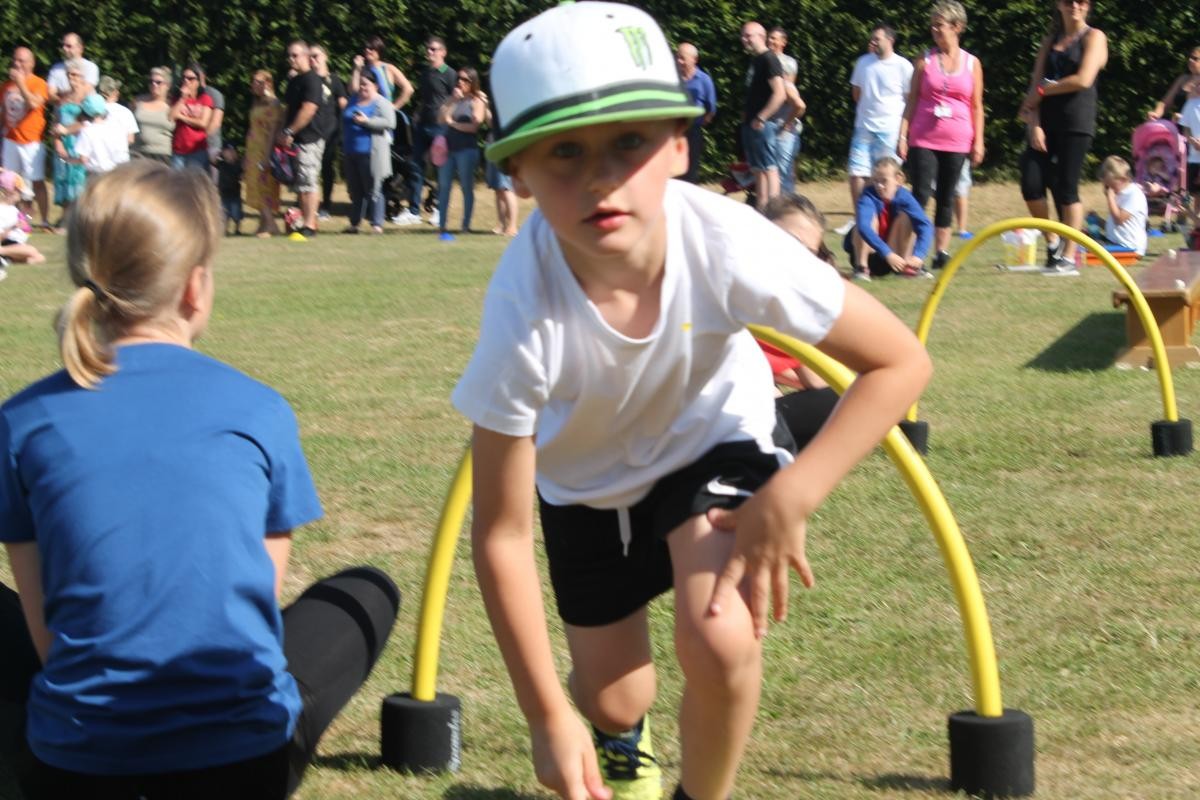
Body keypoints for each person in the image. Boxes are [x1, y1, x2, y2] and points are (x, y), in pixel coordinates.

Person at [457, 5, 933, 800]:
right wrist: (546, 715)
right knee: (613, 698)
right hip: (586, 486)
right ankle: (623, 733)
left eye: (629, 143)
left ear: (680, 145)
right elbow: (500, 534)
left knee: (720, 636)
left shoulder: (728, 239)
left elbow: (899, 362)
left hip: (714, 440)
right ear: (519, 174)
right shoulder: (522, 311)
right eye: (565, 153)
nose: (602, 178)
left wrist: (796, 491)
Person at [0, 161, 400, 799]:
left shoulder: (22, 420)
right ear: (194, 287)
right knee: (369, 590)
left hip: (75, 766)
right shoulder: (259, 409)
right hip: (242, 764)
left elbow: (46, 627)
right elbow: (253, 608)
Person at [1017, 0, 1108, 275]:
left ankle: (1069, 256)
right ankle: (1053, 241)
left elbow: (1083, 79)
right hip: (1045, 123)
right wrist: (1034, 124)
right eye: (1068, 1)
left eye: (1081, 1)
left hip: (1076, 121)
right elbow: (1035, 84)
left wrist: (1044, 91)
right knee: (1030, 182)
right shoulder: (1050, 40)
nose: (1075, 6)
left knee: (1066, 188)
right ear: (1058, 4)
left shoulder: (1095, 36)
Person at [898, 0, 985, 272]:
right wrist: (902, 135)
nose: (934, 29)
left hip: (958, 139)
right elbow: (911, 100)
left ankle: (942, 252)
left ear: (957, 27)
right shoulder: (924, 61)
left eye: (940, 25)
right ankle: (915, 253)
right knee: (921, 193)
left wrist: (979, 141)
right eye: (932, 24)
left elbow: (976, 106)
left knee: (947, 196)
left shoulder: (972, 64)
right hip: (923, 137)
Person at [761, 193, 843, 452]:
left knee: (848, 398)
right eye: (788, 241)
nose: (793, 255)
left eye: (806, 253)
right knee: (846, 400)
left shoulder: (789, 299)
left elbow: (814, 377)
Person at [846, 25, 913, 215]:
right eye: (872, 38)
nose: (873, 42)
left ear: (890, 40)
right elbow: (856, 94)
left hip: (890, 129)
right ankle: (861, 217)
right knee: (857, 173)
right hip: (863, 127)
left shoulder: (903, 66)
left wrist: (903, 136)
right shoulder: (863, 63)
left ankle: (889, 216)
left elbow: (910, 101)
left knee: (888, 176)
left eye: (877, 38)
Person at [845, 157, 934, 280]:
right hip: (873, 254)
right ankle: (861, 268)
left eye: (884, 181)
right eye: (876, 181)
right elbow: (864, 227)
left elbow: (925, 225)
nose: (879, 186)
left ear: (899, 179)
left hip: (895, 259)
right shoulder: (868, 196)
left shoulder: (905, 197)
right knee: (867, 221)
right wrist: (887, 253)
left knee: (907, 217)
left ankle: (908, 268)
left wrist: (919, 255)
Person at [403, 36, 456, 227]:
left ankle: (439, 211)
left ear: (443, 52)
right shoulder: (425, 74)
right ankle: (413, 211)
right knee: (416, 167)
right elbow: (425, 99)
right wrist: (417, 113)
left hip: (440, 128)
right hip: (422, 126)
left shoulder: (449, 73)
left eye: (434, 49)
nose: (430, 53)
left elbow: (456, 99)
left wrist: (449, 121)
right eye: (428, 49)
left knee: (441, 170)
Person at [279, 41, 327, 238]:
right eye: (289, 55)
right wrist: (283, 132)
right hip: (295, 140)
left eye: (295, 55)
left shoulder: (312, 80)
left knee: (309, 181)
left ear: (306, 57)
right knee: (300, 185)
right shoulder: (294, 81)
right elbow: (288, 110)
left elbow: (309, 109)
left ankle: (310, 224)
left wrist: (289, 131)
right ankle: (303, 222)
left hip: (310, 138)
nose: (291, 59)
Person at [2, 47, 52, 229]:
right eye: (15, 60)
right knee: (10, 183)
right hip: (10, 139)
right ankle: (17, 219)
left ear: (31, 63)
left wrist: (21, 83)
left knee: (37, 181)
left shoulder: (39, 83)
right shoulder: (6, 85)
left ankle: (45, 220)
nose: (17, 63)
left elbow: (33, 103)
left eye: (22, 60)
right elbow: (3, 112)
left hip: (32, 141)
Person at [341, 70, 395, 234]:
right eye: (361, 84)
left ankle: (377, 224)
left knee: (374, 189)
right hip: (351, 152)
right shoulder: (353, 100)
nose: (363, 87)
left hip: (372, 152)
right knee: (355, 190)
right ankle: (355, 224)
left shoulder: (381, 103)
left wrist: (367, 121)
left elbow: (390, 123)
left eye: (366, 84)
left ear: (376, 86)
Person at [435, 66, 486, 240]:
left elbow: (474, 126)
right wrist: (451, 102)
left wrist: (453, 124)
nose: (460, 82)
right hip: (448, 150)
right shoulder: (453, 99)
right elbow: (440, 119)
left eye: (465, 80)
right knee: (444, 187)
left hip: (466, 149)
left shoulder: (477, 101)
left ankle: (465, 225)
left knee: (466, 187)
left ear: (472, 82)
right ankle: (442, 226)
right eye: (459, 79)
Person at [740, 21, 786, 210]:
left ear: (760, 36)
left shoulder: (770, 59)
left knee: (769, 167)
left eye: (748, 36)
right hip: (751, 124)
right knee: (758, 169)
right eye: (743, 36)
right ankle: (762, 209)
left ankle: (773, 211)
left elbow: (780, 93)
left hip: (763, 125)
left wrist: (762, 117)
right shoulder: (755, 60)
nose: (744, 40)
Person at [50, 60, 90, 228]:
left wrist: (66, 130)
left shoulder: (88, 98)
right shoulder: (63, 97)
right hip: (63, 144)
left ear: (82, 77)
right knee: (63, 179)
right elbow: (55, 121)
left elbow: (88, 123)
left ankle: (78, 219)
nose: (71, 78)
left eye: (75, 74)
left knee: (78, 180)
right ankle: (65, 217)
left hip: (80, 142)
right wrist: (58, 142)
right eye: (69, 74)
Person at [311, 44, 349, 221]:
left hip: (330, 132)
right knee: (309, 171)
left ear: (325, 56)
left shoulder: (334, 80)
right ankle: (307, 205)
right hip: (310, 132)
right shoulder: (307, 79)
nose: (313, 60)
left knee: (326, 169)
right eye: (310, 56)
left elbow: (343, 105)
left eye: (316, 56)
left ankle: (326, 205)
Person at [245, 69, 284, 237]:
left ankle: (271, 225)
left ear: (268, 83)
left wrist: (267, 156)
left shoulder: (273, 104)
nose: (254, 85)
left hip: (264, 149)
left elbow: (273, 131)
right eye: (253, 81)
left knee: (264, 186)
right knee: (254, 184)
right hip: (253, 149)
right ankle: (263, 223)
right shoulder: (258, 102)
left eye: (259, 82)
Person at [1085, 156, 1147, 256]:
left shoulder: (1134, 194)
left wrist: (1110, 198)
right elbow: (1113, 226)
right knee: (1084, 238)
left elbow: (1118, 220)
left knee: (1090, 246)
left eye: (1111, 185)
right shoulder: (1119, 194)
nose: (1109, 189)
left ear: (1122, 179)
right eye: (1107, 186)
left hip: (1129, 247)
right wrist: (1097, 220)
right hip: (1115, 243)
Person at [675, 43, 717, 184]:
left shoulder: (704, 80)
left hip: (693, 130)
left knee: (691, 169)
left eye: (682, 58)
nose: (679, 61)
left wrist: (698, 122)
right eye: (677, 57)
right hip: (674, 130)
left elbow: (710, 108)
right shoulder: (672, 79)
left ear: (694, 59)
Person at [168, 63, 215, 171]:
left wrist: (182, 117)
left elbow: (203, 123)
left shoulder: (205, 99)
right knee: (177, 185)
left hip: (197, 150)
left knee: (195, 184)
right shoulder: (177, 98)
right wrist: (183, 98)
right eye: (184, 78)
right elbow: (171, 117)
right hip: (178, 150)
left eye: (190, 78)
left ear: (198, 81)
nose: (186, 81)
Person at [71, 93, 130, 177]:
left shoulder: (87, 131)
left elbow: (83, 159)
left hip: (99, 176)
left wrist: (66, 159)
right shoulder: (118, 126)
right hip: (121, 174)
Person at [349, 35, 415, 110]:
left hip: (384, 114)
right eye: (366, 48)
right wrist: (356, 69)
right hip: (365, 113)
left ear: (379, 50)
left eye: (371, 48)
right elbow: (353, 92)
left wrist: (394, 108)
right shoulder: (362, 69)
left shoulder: (388, 68)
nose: (367, 50)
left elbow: (408, 89)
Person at [0, 169, 46, 269]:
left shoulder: (14, 209)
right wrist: (12, 227)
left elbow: (22, 228)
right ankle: (2, 252)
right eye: (19, 191)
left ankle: (6, 260)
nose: (21, 195)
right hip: (8, 243)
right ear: (10, 191)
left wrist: (28, 218)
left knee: (40, 257)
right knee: (32, 251)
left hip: (17, 246)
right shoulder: (1, 210)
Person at [131, 67, 173, 164]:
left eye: (158, 82)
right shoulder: (138, 101)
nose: (154, 85)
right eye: (151, 81)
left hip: (162, 155)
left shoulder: (172, 105)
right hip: (138, 153)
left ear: (167, 85)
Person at [46, 33, 99, 99]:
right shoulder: (55, 69)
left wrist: (61, 95)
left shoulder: (91, 67)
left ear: (80, 48)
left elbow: (84, 92)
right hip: (62, 108)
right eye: (63, 45)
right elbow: (50, 95)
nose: (64, 48)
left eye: (69, 46)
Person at [97, 76, 138, 146]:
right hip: (119, 154)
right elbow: (130, 139)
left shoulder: (91, 109)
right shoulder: (125, 112)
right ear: (115, 92)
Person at [215, 141, 244, 235]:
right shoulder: (221, 163)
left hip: (235, 193)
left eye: (232, 151)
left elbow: (242, 175)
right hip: (224, 193)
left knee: (236, 213)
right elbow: (213, 161)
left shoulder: (238, 164)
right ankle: (225, 230)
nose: (230, 154)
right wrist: (219, 154)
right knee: (224, 213)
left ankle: (237, 229)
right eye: (227, 151)